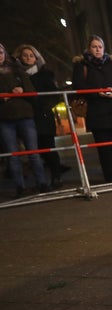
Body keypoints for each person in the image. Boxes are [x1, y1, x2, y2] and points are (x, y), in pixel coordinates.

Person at [72, 35, 112, 183]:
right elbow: (78, 88)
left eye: (100, 47)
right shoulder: (82, 66)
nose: (97, 50)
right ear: (88, 48)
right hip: (98, 113)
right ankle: (110, 178)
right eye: (94, 47)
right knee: (105, 150)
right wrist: (96, 92)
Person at [14, 44, 69, 188]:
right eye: (25, 55)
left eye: (31, 55)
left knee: (48, 147)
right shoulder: (17, 75)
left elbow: (54, 95)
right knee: (34, 150)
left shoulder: (44, 74)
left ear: (36, 58)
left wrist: (43, 106)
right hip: (26, 116)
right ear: (19, 58)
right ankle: (41, 181)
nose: (28, 58)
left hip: (43, 116)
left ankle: (56, 176)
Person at [0, 43, 49, 196]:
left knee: (33, 152)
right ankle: (20, 187)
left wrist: (21, 90)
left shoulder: (17, 69)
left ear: (4, 53)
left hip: (25, 115)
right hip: (5, 118)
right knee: (13, 156)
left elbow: (31, 90)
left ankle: (42, 183)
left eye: (0, 52)